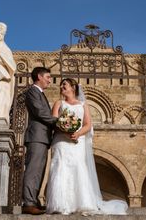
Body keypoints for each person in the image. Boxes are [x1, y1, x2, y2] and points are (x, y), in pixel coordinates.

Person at [46, 78, 128, 215]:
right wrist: (65, 132)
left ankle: (81, 203)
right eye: (61, 85)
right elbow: (54, 122)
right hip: (61, 141)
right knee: (61, 167)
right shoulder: (58, 103)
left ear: (73, 87)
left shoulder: (83, 105)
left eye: (64, 85)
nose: (61, 87)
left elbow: (88, 125)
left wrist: (77, 134)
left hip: (77, 142)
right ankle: (60, 204)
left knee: (78, 168)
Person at [22, 67, 57, 215]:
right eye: (48, 77)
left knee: (39, 171)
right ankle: (28, 203)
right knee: (33, 170)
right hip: (36, 136)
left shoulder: (40, 93)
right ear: (39, 77)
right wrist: (59, 122)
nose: (50, 80)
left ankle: (34, 200)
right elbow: (39, 112)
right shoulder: (32, 91)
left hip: (42, 138)